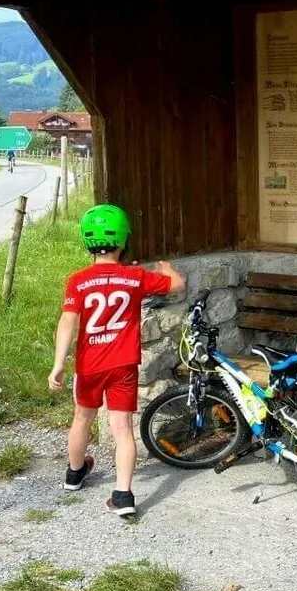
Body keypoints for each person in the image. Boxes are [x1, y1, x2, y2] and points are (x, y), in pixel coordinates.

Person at [48, 204, 185, 516]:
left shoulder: (78, 281)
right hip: (122, 365)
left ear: (86, 241)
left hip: (89, 365)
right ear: (124, 240)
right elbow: (178, 285)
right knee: (122, 427)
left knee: (82, 417)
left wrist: (58, 364)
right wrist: (165, 267)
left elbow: (68, 322)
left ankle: (74, 474)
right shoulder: (136, 276)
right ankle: (123, 496)